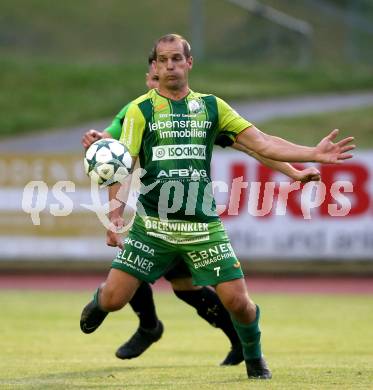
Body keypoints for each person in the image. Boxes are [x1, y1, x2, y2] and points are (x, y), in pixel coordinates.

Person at [80, 34, 354, 380]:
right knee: (115, 298)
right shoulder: (139, 110)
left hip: (201, 226)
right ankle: (100, 303)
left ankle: (254, 359)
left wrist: (311, 155)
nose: (170, 66)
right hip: (152, 226)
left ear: (189, 63)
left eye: (176, 59)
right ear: (154, 65)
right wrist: (114, 215)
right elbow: (123, 163)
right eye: (163, 60)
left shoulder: (212, 107)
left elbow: (262, 143)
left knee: (238, 302)